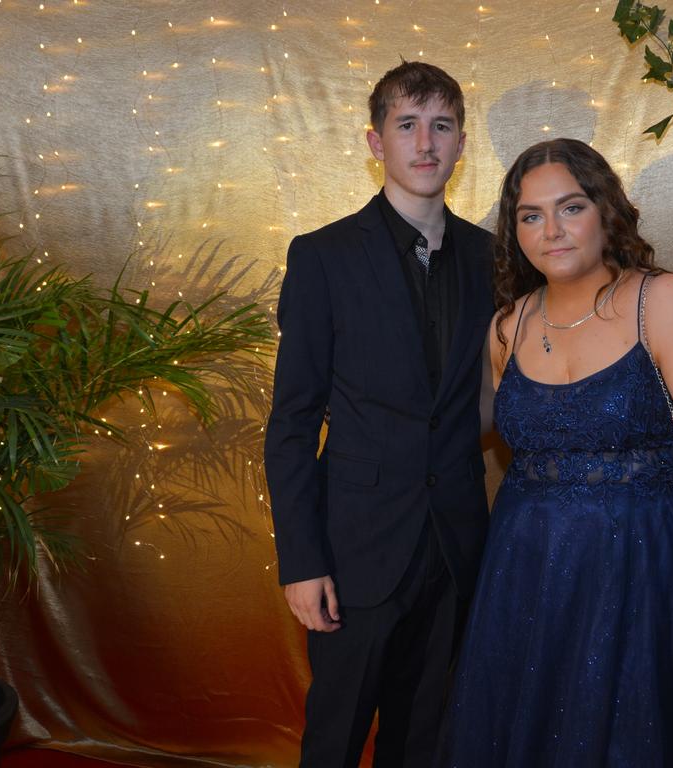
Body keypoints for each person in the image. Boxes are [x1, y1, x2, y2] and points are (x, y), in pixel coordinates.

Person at [437, 138, 673, 766]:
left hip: (647, 577)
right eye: (531, 216)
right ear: (515, 233)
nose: (552, 231)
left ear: (605, 211)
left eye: (570, 208)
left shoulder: (666, 303)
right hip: (526, 578)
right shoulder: (508, 326)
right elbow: (468, 427)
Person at [263, 61, 494, 768]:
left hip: (455, 549)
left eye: (442, 126)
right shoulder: (322, 257)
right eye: (407, 125)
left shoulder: (494, 258)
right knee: (333, 742)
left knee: (423, 743)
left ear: (460, 145)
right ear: (376, 142)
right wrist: (301, 563)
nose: (425, 144)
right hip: (353, 555)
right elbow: (293, 421)